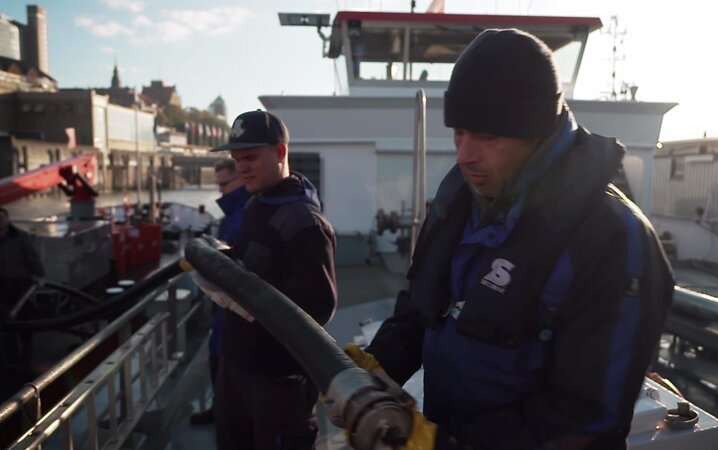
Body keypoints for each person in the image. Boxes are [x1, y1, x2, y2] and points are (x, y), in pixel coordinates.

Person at [347, 29, 675, 449]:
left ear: (536, 132)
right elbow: (423, 304)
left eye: (488, 136)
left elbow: (587, 417)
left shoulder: (613, 241)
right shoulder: (461, 199)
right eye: (459, 132)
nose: (465, 155)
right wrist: (379, 363)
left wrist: (444, 444)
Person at [202, 110, 337, 449]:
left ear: (280, 153)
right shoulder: (255, 204)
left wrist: (250, 300)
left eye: (250, 157)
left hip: (277, 383)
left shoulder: (305, 223)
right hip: (236, 369)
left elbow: (319, 307)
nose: (241, 167)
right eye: (236, 159)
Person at [189, 159, 248, 426]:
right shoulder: (235, 213)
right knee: (219, 358)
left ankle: (225, 414)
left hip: (234, 306)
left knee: (225, 361)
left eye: (225, 184)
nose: (221, 191)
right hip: (224, 306)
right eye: (219, 184)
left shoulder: (243, 214)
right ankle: (220, 409)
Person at [0, 207, 45, 316]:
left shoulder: (21, 237)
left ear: (7, 219)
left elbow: (32, 256)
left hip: (20, 281)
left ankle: (25, 331)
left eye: (1, 218)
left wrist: (40, 275)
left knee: (23, 311)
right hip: (1, 282)